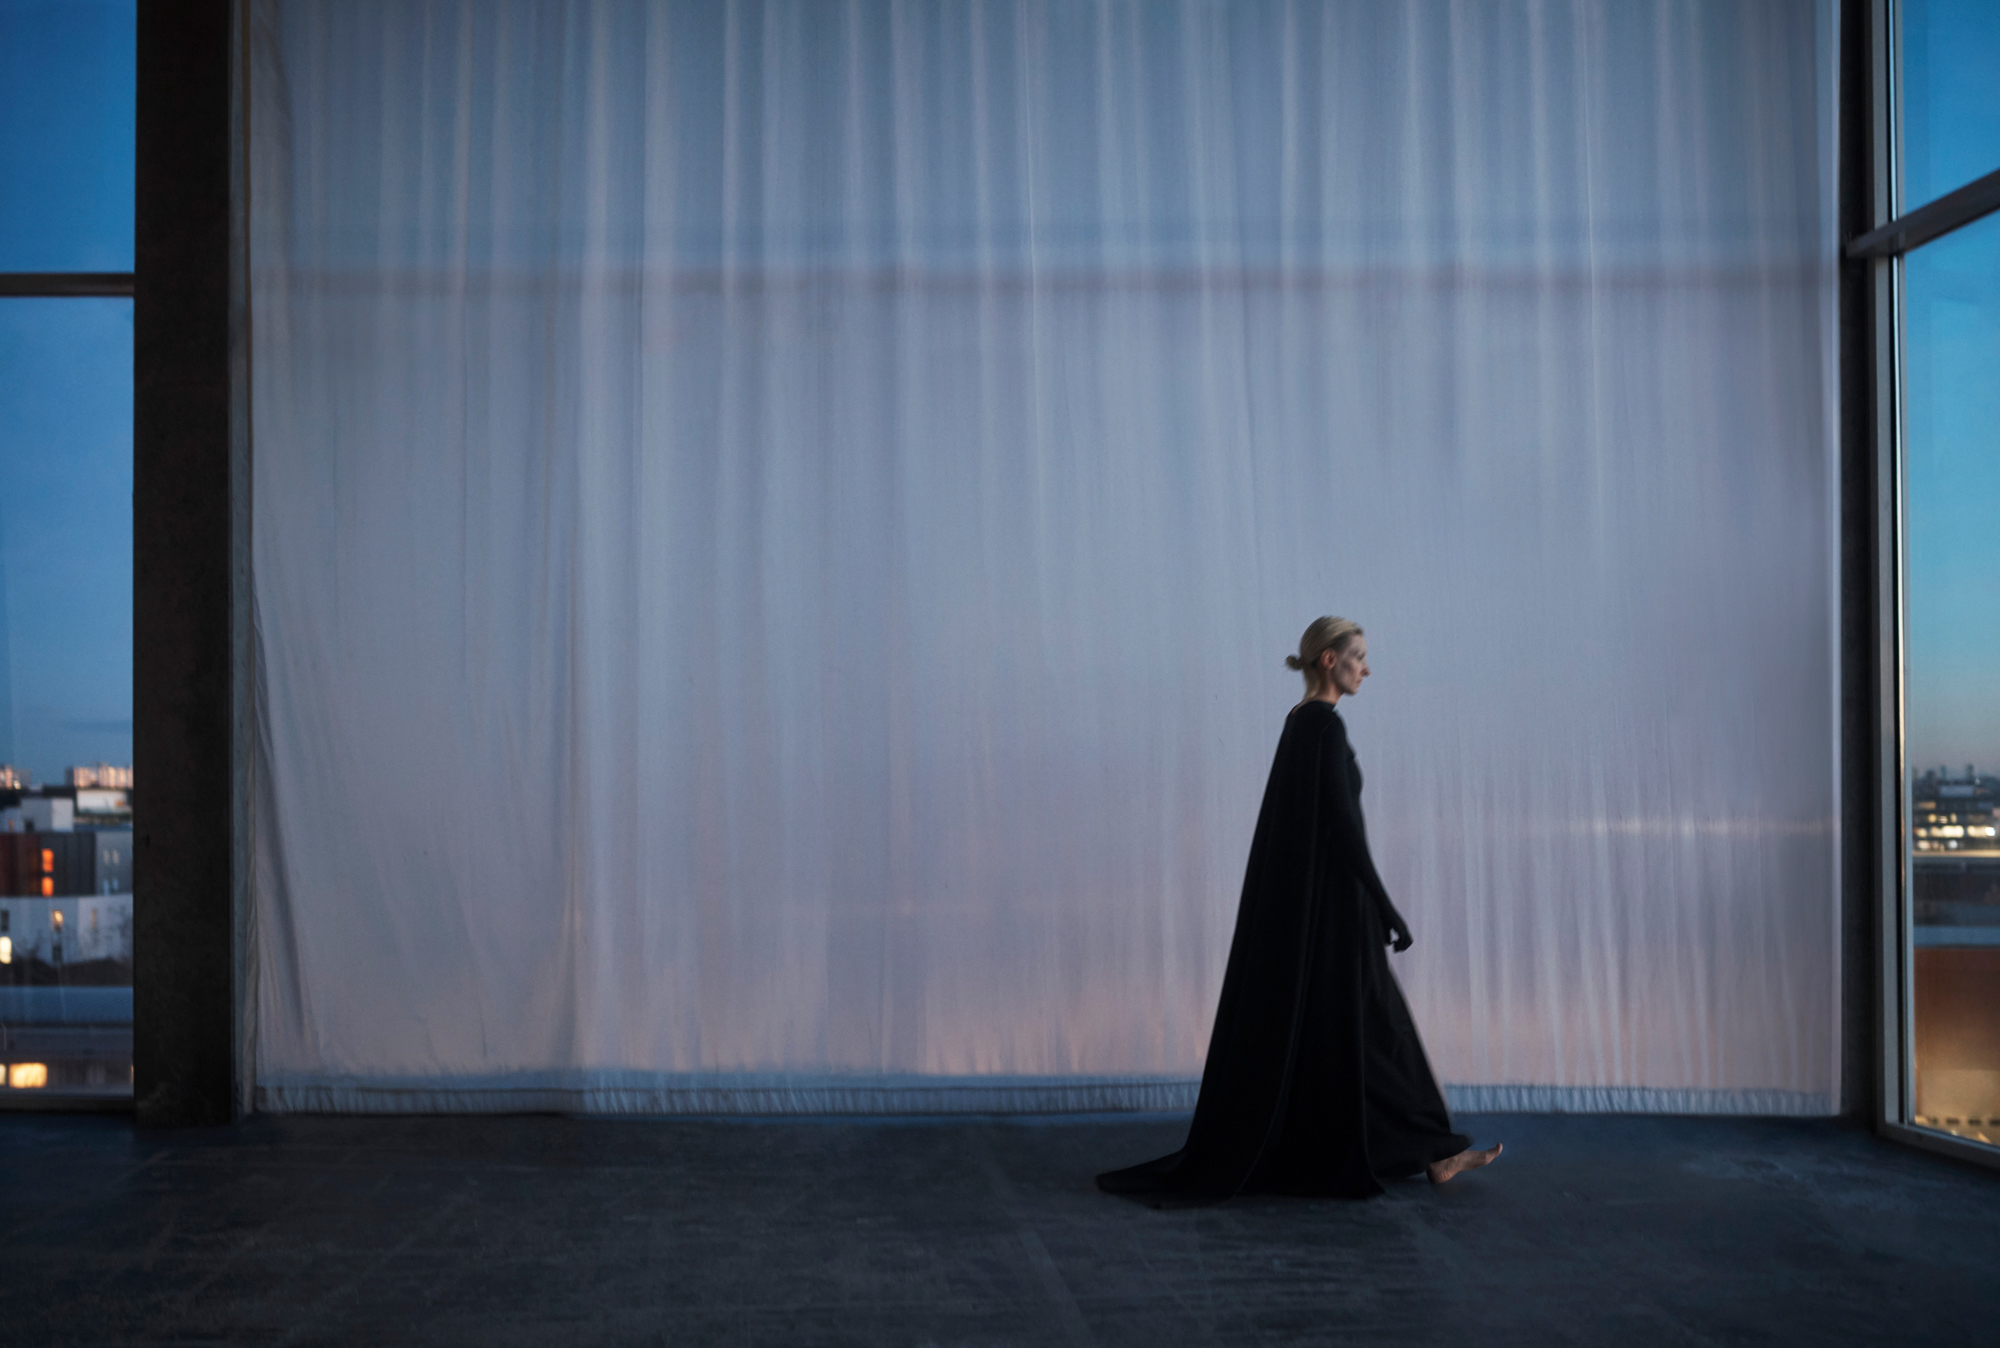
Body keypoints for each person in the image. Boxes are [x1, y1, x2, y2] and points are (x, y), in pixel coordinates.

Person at [1098, 616, 1501, 1204]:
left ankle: (1434, 1149)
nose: (1368, 668)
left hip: (1328, 911)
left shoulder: (1299, 724)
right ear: (1328, 661)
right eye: (1358, 656)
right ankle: (1432, 1149)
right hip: (1340, 913)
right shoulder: (1323, 727)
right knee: (1377, 1032)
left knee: (1369, 1033)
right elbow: (1341, 826)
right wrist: (1387, 907)